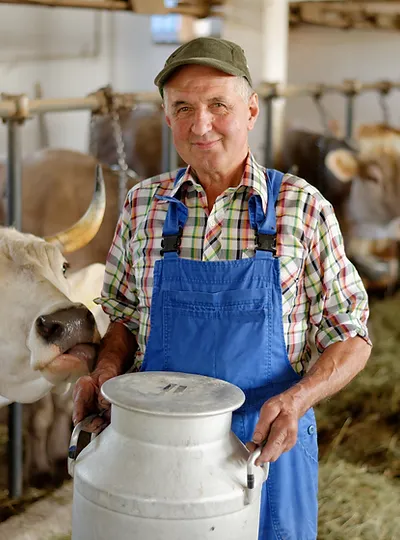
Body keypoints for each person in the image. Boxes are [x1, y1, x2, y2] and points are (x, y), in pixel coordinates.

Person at [73, 37, 372, 539]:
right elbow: (123, 316)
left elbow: (352, 333)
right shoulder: (142, 207)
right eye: (183, 107)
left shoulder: (300, 207)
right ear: (168, 118)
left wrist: (299, 400)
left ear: (251, 110)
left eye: (218, 105)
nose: (201, 123)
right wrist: (104, 374)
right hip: (155, 455)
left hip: (267, 451)